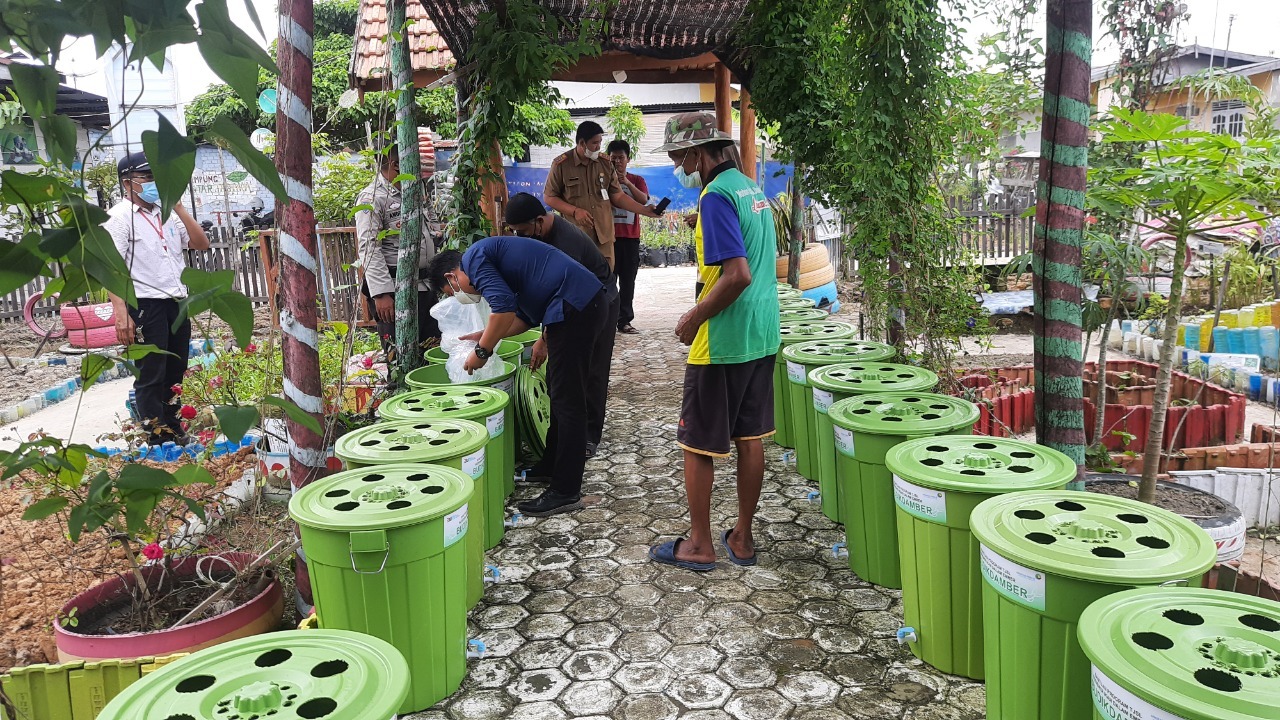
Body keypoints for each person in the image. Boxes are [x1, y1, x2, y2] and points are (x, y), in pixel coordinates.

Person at [646, 112, 781, 571]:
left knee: (698, 442)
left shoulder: (717, 196)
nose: (678, 163)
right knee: (750, 436)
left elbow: (736, 274)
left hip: (722, 338)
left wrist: (693, 317)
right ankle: (742, 539)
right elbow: (752, 255)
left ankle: (700, 544)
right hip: (761, 334)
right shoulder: (751, 190)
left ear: (698, 152)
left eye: (679, 155)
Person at [429, 237, 608, 517]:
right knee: (558, 394)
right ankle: (551, 467)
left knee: (568, 401)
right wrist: (484, 335)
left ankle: (566, 491)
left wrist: (482, 351)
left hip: (578, 307)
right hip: (575, 306)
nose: (458, 296)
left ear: (452, 276)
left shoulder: (475, 259)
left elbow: (503, 311)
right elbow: (520, 318)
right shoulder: (490, 258)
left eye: (452, 292)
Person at [105, 151, 212, 445]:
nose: (157, 183)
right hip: (144, 304)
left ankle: (174, 427)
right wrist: (120, 312)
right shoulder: (118, 219)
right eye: (149, 178)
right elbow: (110, 267)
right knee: (152, 371)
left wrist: (177, 207)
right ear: (128, 184)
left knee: (176, 369)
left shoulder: (165, 214)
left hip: (176, 303)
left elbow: (201, 243)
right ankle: (156, 436)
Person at [505, 192, 616, 460]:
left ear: (540, 221)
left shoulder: (566, 243)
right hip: (574, 304)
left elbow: (563, 297)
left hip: (600, 302)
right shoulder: (543, 234)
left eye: (524, 231)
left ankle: (588, 437)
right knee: (561, 377)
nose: (521, 238)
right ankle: (560, 442)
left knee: (590, 371)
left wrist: (543, 340)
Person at [354, 140, 440, 355]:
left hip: (425, 286)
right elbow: (369, 247)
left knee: (431, 350)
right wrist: (381, 294)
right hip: (393, 290)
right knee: (400, 355)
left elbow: (432, 226)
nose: (421, 170)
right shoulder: (373, 197)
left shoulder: (415, 192)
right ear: (396, 166)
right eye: (416, 164)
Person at [543, 121, 658, 270]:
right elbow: (549, 197)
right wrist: (575, 211)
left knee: (606, 285)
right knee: (580, 283)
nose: (598, 147)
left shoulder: (604, 162)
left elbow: (618, 195)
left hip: (604, 238)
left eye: (600, 142)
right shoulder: (561, 165)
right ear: (582, 143)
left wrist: (644, 210)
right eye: (595, 143)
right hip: (576, 238)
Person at [606, 140, 648, 335]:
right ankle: (608, 320)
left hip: (630, 239)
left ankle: (625, 321)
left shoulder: (637, 180)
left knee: (628, 281)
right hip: (608, 239)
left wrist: (626, 182)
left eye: (621, 158)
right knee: (608, 280)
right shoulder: (602, 180)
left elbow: (644, 200)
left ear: (628, 159)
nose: (617, 162)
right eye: (613, 158)